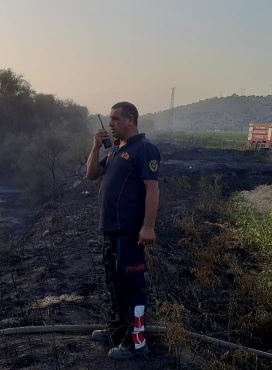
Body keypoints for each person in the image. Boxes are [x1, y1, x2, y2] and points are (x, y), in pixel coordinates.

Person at [85, 101, 161, 360]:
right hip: (111, 231)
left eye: (115, 119)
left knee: (132, 286)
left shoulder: (144, 149)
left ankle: (136, 344)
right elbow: (92, 174)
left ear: (130, 119)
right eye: (110, 119)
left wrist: (148, 227)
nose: (111, 124)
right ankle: (117, 331)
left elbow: (152, 190)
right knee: (114, 284)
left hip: (130, 232)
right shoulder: (117, 150)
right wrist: (96, 146)